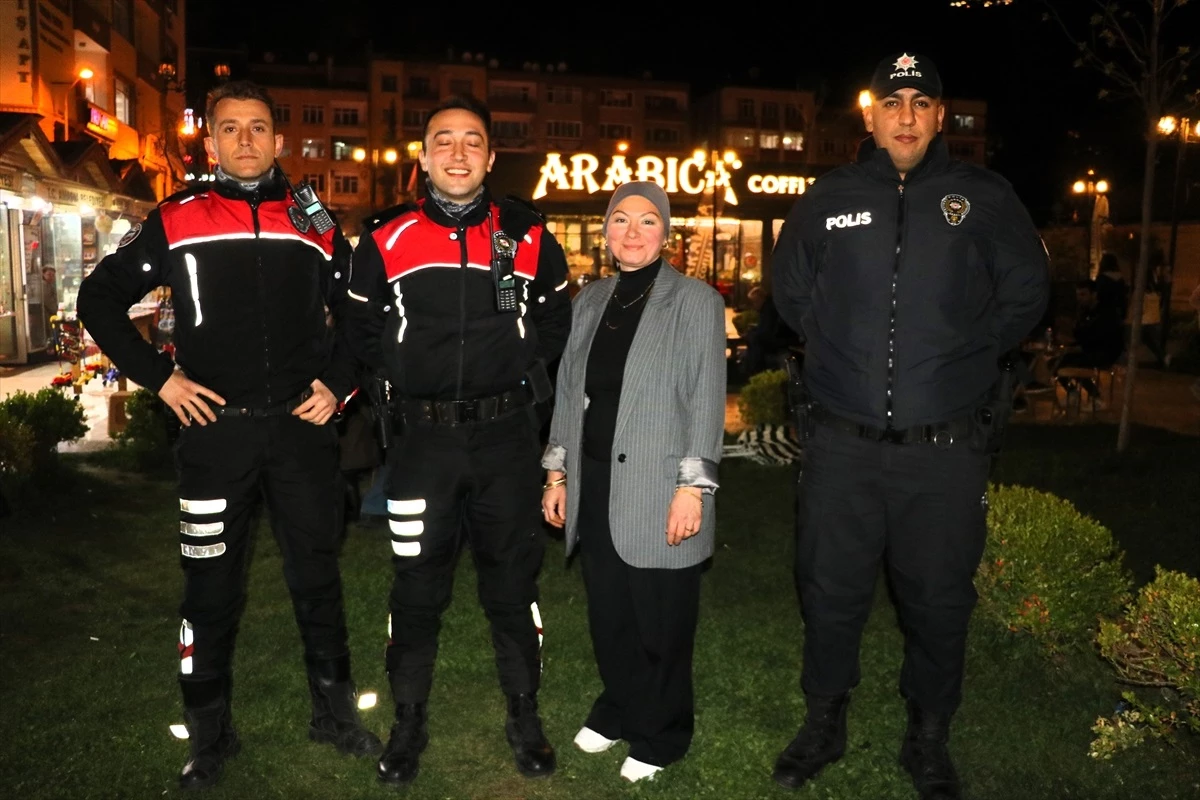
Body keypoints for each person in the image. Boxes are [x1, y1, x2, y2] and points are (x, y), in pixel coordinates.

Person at [76, 80, 381, 791]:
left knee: (318, 580)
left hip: (300, 439)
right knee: (209, 591)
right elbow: (99, 298)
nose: (245, 139)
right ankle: (209, 737)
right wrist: (161, 379)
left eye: (258, 127)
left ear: (280, 140)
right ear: (209, 142)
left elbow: (361, 317)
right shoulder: (178, 218)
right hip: (214, 439)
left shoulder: (315, 223)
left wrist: (338, 386)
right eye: (230, 128)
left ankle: (332, 715)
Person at [770, 52, 1049, 800]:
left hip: (944, 451)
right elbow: (790, 290)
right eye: (891, 100)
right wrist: (839, 351)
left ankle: (928, 736)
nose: (904, 114)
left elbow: (1027, 289)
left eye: (920, 101)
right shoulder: (830, 196)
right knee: (830, 592)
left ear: (938, 116)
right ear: (870, 114)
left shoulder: (981, 196)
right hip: (841, 445)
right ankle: (824, 722)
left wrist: (965, 352)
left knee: (938, 599)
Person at [344, 94, 572, 787]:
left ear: (491, 156)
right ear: (423, 156)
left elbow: (558, 325)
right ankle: (408, 722)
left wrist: (527, 386)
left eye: (472, 141)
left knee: (512, 583)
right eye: (443, 140)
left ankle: (524, 714)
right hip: (422, 446)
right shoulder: (384, 237)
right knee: (416, 586)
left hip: (506, 444)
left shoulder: (530, 235)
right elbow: (359, 332)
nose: (458, 153)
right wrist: (392, 389)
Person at [540, 181, 726, 784]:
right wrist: (557, 471)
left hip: (660, 485)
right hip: (595, 485)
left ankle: (663, 732)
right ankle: (620, 705)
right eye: (622, 219)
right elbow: (570, 392)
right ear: (606, 229)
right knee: (610, 612)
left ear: (666, 233)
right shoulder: (589, 301)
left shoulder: (695, 301)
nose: (633, 232)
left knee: (661, 620)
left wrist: (691, 487)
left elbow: (706, 399)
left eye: (648, 221)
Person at [1054, 279, 1124, 400]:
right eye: (1078, 295)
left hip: (1105, 352)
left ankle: (1096, 397)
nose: (1079, 298)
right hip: (1089, 349)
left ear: (1094, 294)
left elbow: (1099, 339)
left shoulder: (1105, 313)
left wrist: (1076, 347)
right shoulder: (1085, 312)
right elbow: (1081, 335)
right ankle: (1073, 393)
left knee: (1075, 364)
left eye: (1083, 294)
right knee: (1055, 363)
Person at [741, 284, 798, 377]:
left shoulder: (768, 310)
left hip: (780, 341)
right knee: (753, 340)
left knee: (754, 342)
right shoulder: (768, 308)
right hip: (780, 339)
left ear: (761, 299)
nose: (754, 306)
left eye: (755, 302)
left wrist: (751, 334)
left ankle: (752, 372)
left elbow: (765, 332)